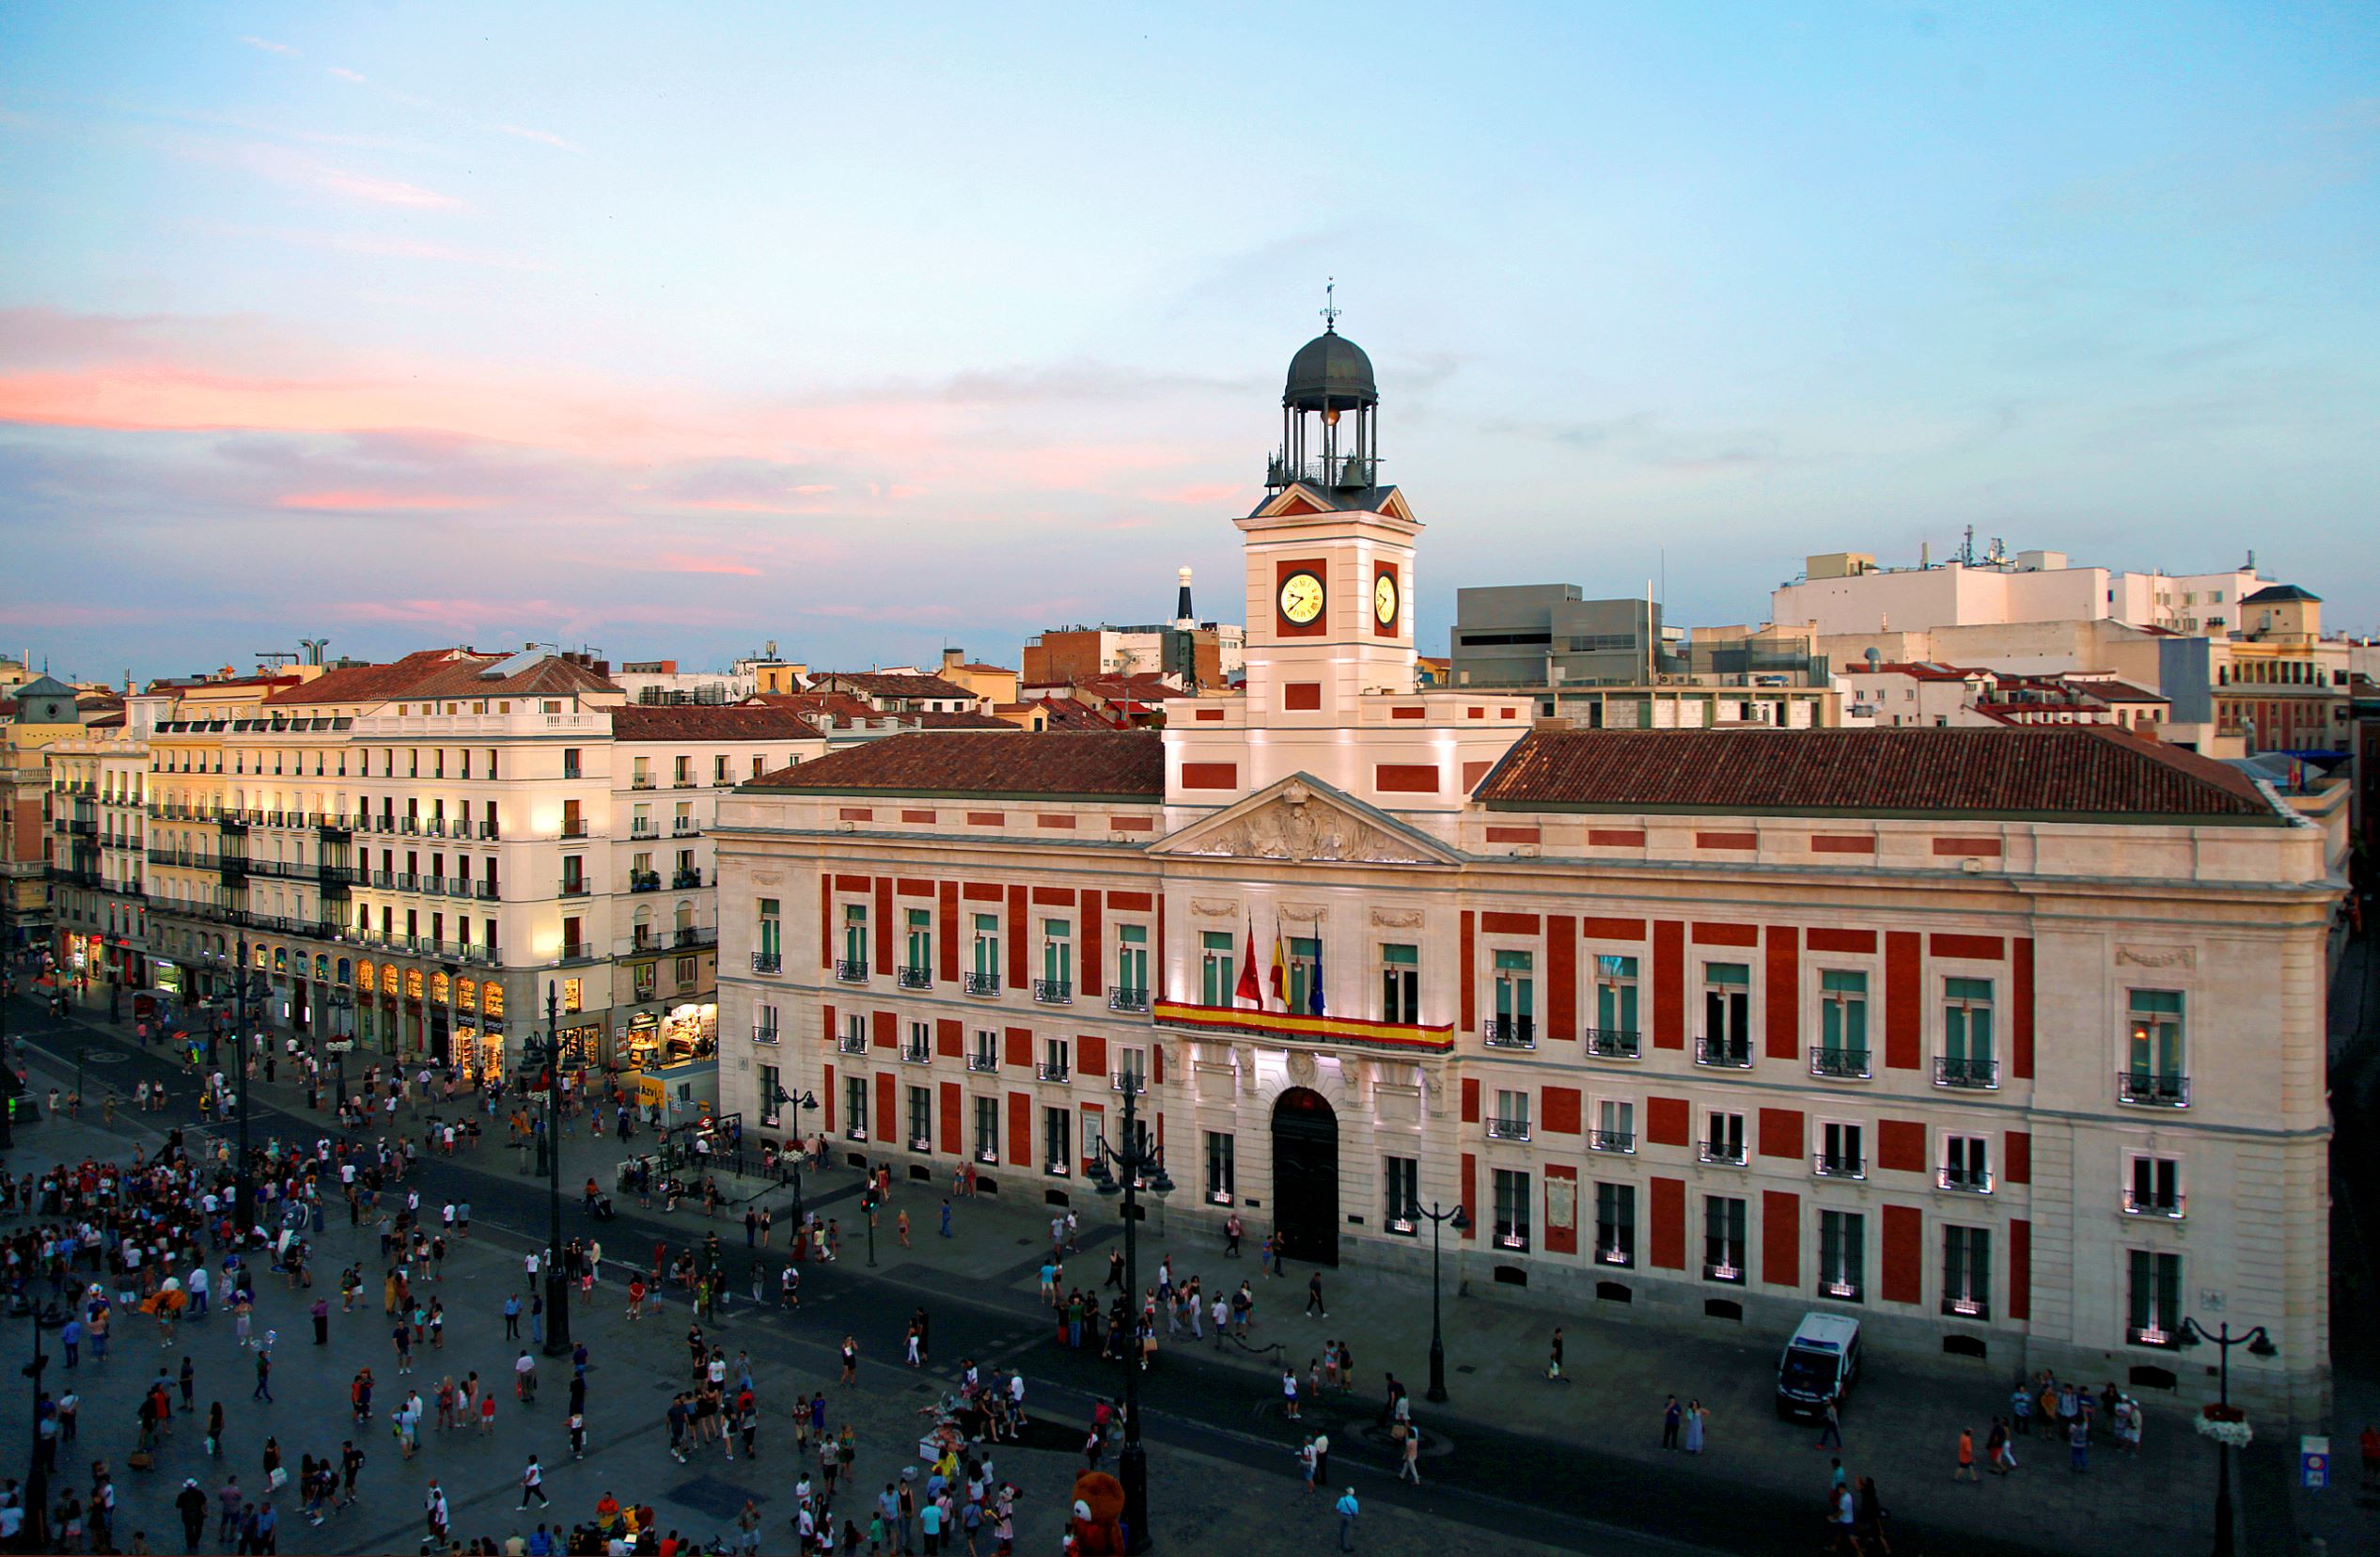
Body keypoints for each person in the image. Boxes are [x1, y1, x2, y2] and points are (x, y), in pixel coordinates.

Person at [1333, 1486, 1359, 1551]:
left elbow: (1337, 1508)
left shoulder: (1342, 1499)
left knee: (1342, 1530)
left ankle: (1342, 1544)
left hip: (1342, 1515)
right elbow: (1356, 1512)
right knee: (1346, 1531)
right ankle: (1346, 1547)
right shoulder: (1355, 1502)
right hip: (1349, 1517)